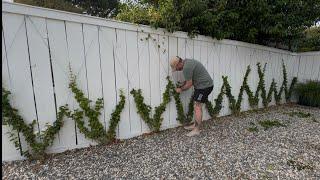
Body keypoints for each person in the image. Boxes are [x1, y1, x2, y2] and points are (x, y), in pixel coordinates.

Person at [170, 56, 213, 137]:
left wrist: (180, 89)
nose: (178, 70)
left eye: (177, 68)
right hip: (202, 86)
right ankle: (195, 125)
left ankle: (197, 129)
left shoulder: (186, 68)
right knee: (197, 105)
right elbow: (190, 80)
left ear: (179, 63)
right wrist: (182, 85)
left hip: (204, 86)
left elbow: (189, 84)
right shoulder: (188, 62)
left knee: (197, 106)